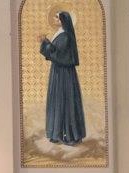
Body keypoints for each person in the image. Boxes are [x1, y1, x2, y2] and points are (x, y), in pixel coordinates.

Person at [39, 10, 86, 145]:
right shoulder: (59, 33)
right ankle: (56, 132)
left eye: (57, 18)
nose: (55, 19)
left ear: (63, 20)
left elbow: (59, 54)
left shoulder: (65, 35)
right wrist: (46, 42)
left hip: (65, 74)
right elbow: (54, 50)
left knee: (65, 100)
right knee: (57, 100)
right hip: (58, 72)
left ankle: (71, 135)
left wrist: (46, 42)